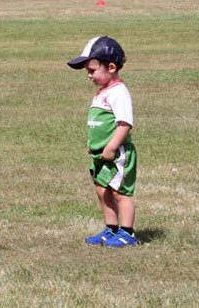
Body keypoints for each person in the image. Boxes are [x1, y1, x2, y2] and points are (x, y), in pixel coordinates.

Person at [67, 36, 137, 247]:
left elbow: (124, 124)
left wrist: (112, 146)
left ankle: (127, 233)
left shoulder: (118, 92)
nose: (88, 75)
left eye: (92, 70)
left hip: (117, 154)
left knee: (119, 193)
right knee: (101, 190)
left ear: (112, 67)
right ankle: (111, 229)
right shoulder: (103, 92)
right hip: (101, 154)